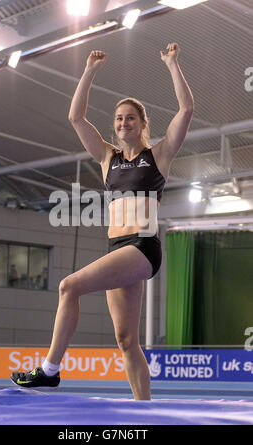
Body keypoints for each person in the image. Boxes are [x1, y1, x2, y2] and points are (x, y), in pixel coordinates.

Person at [11, 43, 194, 400]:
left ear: (142, 124)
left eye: (130, 118)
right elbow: (76, 118)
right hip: (117, 248)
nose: (123, 123)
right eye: (118, 119)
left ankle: (49, 370)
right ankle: (145, 412)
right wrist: (89, 72)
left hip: (142, 247)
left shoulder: (158, 155)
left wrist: (172, 64)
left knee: (69, 286)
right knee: (126, 341)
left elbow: (187, 109)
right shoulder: (108, 158)